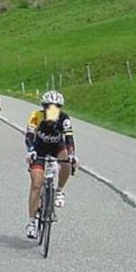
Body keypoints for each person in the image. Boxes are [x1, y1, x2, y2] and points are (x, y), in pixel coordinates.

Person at [24, 90, 77, 240]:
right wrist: (31, 150)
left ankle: (59, 190)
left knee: (66, 162)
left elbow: (69, 138)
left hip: (56, 147)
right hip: (39, 148)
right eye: (49, 107)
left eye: (56, 107)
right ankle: (32, 222)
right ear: (44, 107)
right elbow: (29, 136)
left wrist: (72, 155)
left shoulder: (64, 119)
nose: (52, 110)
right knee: (36, 184)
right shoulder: (36, 116)